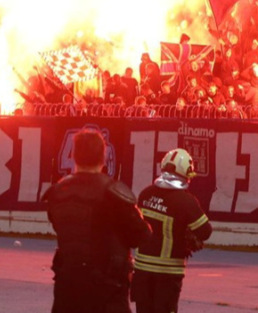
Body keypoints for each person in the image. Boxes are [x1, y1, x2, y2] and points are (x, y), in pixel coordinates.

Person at [43, 129, 152, 313]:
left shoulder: (57, 192)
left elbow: (57, 224)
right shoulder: (113, 193)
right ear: (103, 156)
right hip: (107, 291)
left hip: (67, 287)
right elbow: (142, 235)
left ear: (74, 155)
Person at [132, 148, 212, 313]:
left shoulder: (145, 194)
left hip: (141, 271)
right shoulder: (186, 201)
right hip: (167, 274)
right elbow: (205, 232)